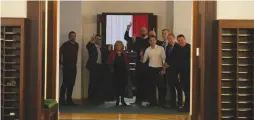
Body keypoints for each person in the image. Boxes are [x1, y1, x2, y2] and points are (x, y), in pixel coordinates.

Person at [124, 23, 150, 105]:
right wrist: (128, 29)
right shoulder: (137, 39)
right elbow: (126, 38)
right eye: (141, 30)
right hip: (139, 63)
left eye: (144, 30)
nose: (143, 32)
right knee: (138, 81)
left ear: (147, 31)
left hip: (148, 63)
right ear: (140, 32)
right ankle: (138, 100)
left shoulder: (150, 40)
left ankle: (147, 99)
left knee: (147, 82)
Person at [140, 36, 166, 107]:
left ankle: (162, 103)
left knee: (161, 87)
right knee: (151, 87)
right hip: (151, 69)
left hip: (159, 68)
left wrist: (163, 69)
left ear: (156, 41)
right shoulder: (147, 49)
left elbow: (164, 59)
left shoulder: (161, 48)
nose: (152, 42)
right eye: (150, 40)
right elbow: (144, 61)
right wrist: (141, 56)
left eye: (153, 40)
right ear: (149, 42)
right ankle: (153, 103)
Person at [59, 31, 79, 105]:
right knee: (65, 83)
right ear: (69, 36)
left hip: (74, 67)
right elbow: (59, 53)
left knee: (72, 83)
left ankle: (69, 99)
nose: (73, 37)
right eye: (72, 36)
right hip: (66, 67)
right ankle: (61, 100)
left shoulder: (77, 45)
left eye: (74, 36)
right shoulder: (65, 45)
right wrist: (60, 63)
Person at [107, 41, 129, 107]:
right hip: (115, 73)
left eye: (120, 45)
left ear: (122, 46)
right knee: (116, 87)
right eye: (117, 45)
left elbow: (127, 62)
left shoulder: (124, 53)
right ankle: (117, 100)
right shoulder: (112, 53)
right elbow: (109, 62)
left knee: (123, 86)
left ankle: (122, 100)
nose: (118, 46)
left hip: (123, 72)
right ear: (115, 46)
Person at [86, 34, 105, 104]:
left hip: (100, 67)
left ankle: (98, 98)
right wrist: (91, 40)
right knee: (92, 82)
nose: (98, 40)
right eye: (97, 39)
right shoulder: (92, 46)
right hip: (93, 66)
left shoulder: (101, 48)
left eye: (99, 39)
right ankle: (91, 98)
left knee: (99, 82)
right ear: (95, 39)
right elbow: (88, 46)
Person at [163, 33, 181, 108]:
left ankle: (180, 103)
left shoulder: (178, 46)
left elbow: (178, 59)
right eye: (168, 39)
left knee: (178, 88)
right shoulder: (167, 47)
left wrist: (169, 64)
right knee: (171, 87)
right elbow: (167, 58)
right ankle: (173, 104)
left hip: (176, 71)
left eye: (171, 39)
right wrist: (165, 64)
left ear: (174, 38)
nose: (170, 40)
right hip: (169, 71)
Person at [176, 34, 191, 112]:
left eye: (182, 40)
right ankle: (186, 106)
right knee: (184, 90)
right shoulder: (178, 49)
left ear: (185, 39)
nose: (181, 42)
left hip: (189, 74)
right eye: (179, 41)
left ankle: (188, 107)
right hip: (182, 74)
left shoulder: (190, 48)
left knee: (189, 91)